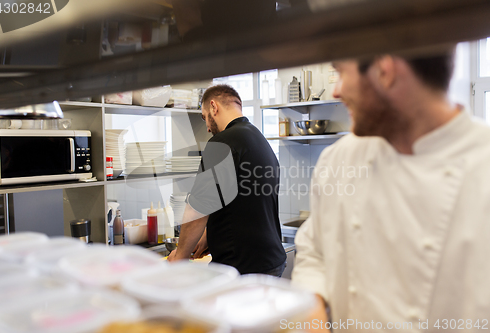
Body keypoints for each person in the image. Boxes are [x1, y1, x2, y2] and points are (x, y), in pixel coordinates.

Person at [292, 49, 490, 332]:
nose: (336, 91)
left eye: (340, 73)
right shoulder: (339, 160)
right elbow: (314, 252)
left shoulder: (483, 168)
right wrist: (313, 312)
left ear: (384, 70)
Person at [168, 84, 286, 277]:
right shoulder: (258, 139)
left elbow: (197, 210)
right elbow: (245, 204)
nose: (207, 127)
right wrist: (208, 236)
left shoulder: (222, 142)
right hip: (270, 261)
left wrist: (180, 255)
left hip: (242, 267)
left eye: (205, 117)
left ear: (214, 107)